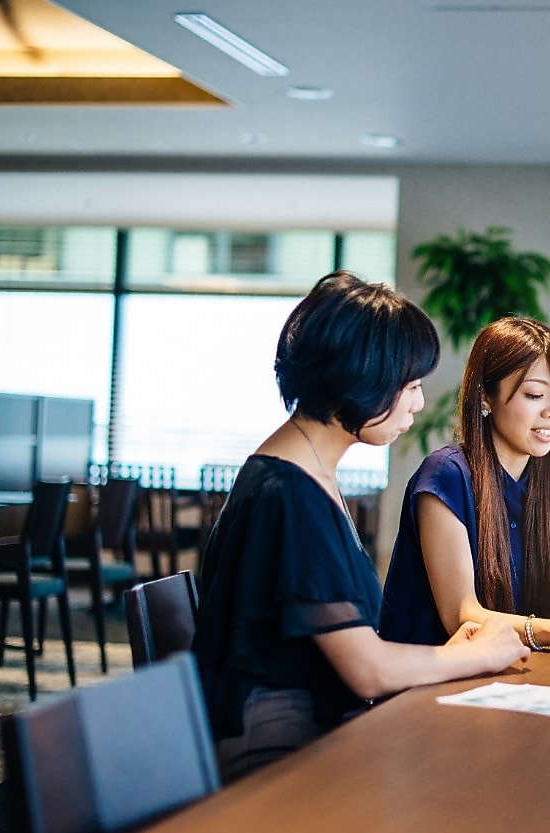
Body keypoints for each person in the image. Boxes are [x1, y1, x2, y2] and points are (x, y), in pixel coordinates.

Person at [192, 272, 529, 783]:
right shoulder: (290, 494)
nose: (418, 402)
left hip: (310, 730)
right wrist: (477, 655)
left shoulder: (295, 470)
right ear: (363, 377)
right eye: (410, 385)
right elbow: (366, 669)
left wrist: (457, 654)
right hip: (278, 756)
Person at [380, 316, 550, 653]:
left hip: (513, 676)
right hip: (429, 686)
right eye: (535, 394)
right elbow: (462, 617)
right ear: (485, 395)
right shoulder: (446, 475)